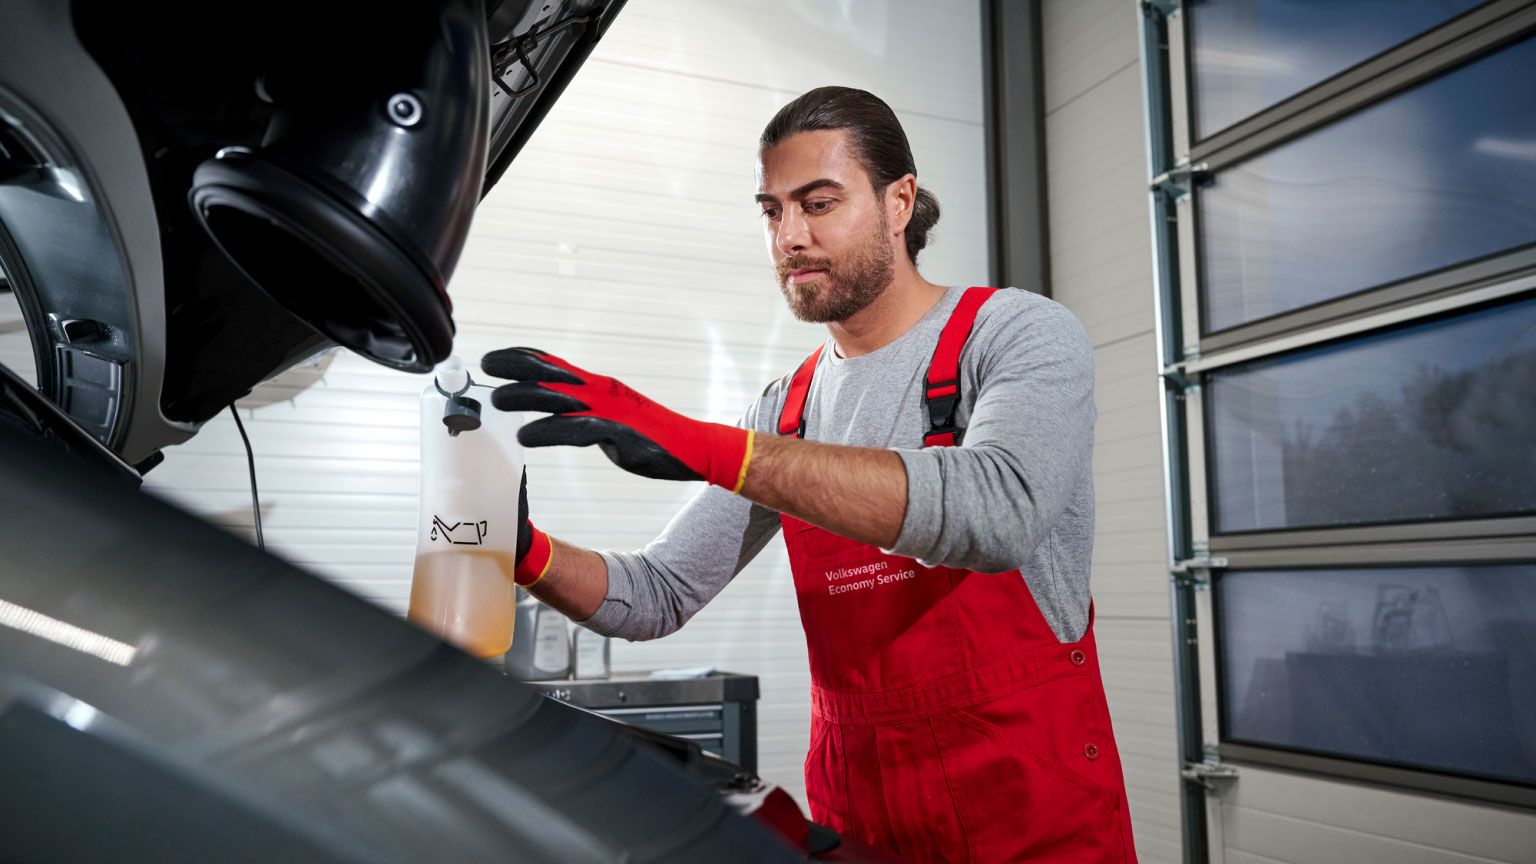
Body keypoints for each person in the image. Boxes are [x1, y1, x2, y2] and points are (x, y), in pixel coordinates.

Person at [484, 86, 1137, 863]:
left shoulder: (1013, 335)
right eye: (771, 211)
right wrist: (523, 552)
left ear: (899, 203)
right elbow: (658, 595)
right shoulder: (785, 408)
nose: (790, 237)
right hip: (859, 818)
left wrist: (708, 446)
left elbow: (997, 513)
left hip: (1026, 818)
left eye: (819, 204)